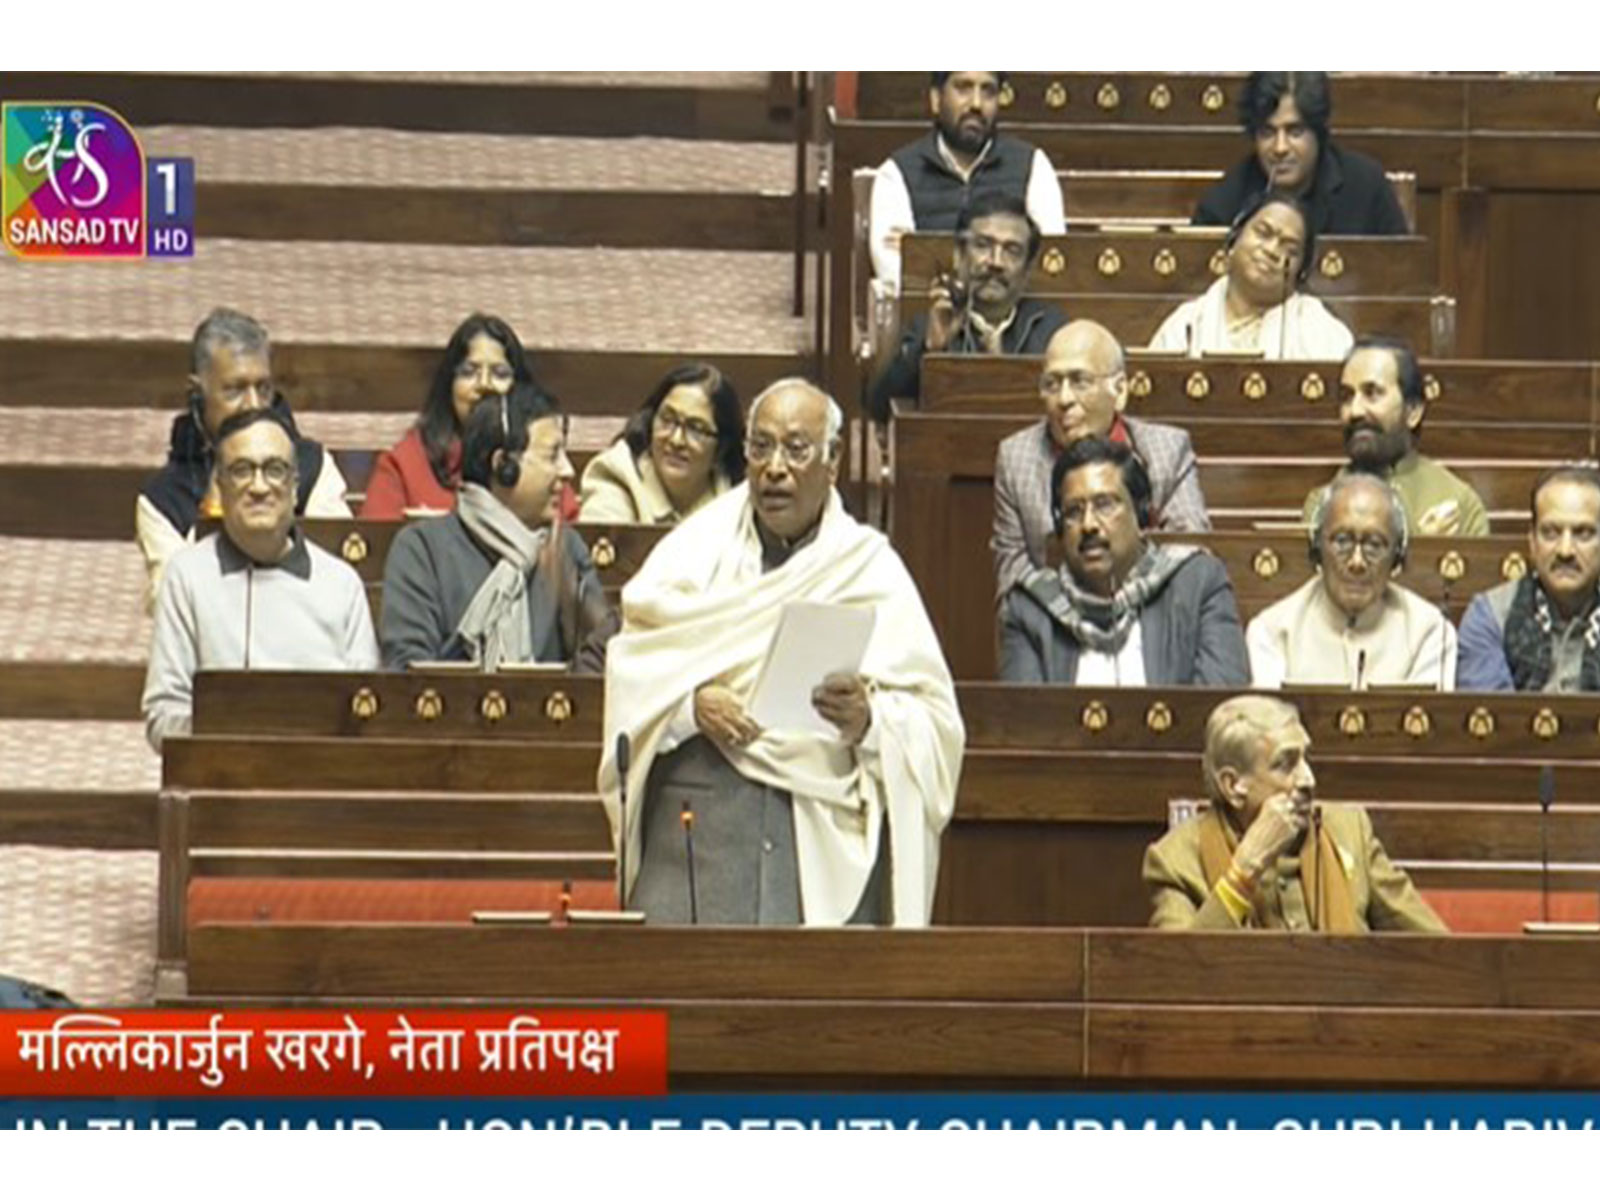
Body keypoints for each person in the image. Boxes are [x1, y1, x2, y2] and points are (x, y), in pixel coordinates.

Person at [598, 379, 964, 927]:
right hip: (698, 853)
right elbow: (633, 675)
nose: (774, 467)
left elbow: (936, 728)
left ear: (833, 460)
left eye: (796, 449)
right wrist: (690, 706)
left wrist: (871, 720)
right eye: (760, 446)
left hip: (822, 854)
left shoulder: (869, 568)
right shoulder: (690, 554)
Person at [142, 408, 377, 751]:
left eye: (274, 470)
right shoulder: (186, 576)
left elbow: (365, 713)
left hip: (322, 779)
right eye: (241, 471)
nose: (259, 486)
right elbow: (163, 715)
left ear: (295, 488)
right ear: (220, 488)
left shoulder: (341, 584)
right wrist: (236, 728)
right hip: (220, 780)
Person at [1143, 695, 1446, 931]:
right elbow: (1176, 977)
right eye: (1285, 764)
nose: (1308, 779)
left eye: (1305, 759)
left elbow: (1438, 948)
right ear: (1233, 785)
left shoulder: (1348, 830)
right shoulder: (1176, 860)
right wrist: (1242, 874)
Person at [379, 382, 613, 672]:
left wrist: (573, 605)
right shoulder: (422, 549)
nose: (567, 471)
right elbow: (406, 670)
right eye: (552, 456)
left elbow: (607, 661)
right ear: (504, 465)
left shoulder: (566, 548)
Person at [136, 307, 350, 613]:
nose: (253, 405)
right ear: (197, 393)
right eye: (235, 390)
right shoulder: (162, 500)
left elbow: (339, 572)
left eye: (262, 388)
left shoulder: (313, 467)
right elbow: (169, 604)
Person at [998, 437, 1248, 686]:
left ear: (1140, 515)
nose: (1088, 525)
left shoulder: (1197, 584)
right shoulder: (1031, 607)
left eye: (1104, 505)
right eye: (1074, 511)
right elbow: (1024, 720)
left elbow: (1224, 707)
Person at [992, 320, 1211, 598]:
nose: (1064, 398)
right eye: (1052, 383)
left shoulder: (1167, 450)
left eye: (1080, 381)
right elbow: (1012, 580)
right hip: (1056, 626)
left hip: (1151, 618)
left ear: (1119, 391)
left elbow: (1190, 554)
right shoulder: (1015, 459)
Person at [867, 193, 1067, 422]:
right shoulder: (928, 324)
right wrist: (930, 350)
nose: (995, 262)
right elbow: (880, 409)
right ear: (958, 255)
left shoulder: (1051, 330)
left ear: (1027, 270)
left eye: (1012, 250)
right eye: (983, 246)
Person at [1249, 473, 1457, 689]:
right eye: (1342, 541)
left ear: (1397, 557)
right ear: (1317, 548)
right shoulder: (1272, 632)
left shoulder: (1430, 632)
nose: (1357, 562)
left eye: (1374, 545)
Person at [869, 71, 1065, 296]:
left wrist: (930, 256)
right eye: (963, 88)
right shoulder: (897, 173)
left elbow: (1051, 263)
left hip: (1016, 322)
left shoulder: (1032, 166)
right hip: (930, 320)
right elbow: (897, 276)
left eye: (988, 91)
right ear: (936, 99)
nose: (976, 104)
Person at [1302, 336, 1490, 537]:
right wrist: (1421, 545)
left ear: (1413, 412)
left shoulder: (1459, 504)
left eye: (1372, 393)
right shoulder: (1321, 507)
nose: (1355, 410)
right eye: (1347, 397)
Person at [360, 314, 537, 521]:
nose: (485, 384)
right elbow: (377, 543)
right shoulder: (406, 463)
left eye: (499, 373)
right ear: (449, 386)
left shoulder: (541, 459)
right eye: (469, 372)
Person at [1193, 72, 1410, 236]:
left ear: (1318, 133)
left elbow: (1404, 272)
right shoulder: (1224, 203)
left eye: (1294, 132)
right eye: (1267, 132)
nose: (1280, 148)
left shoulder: (1366, 187)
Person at [1148, 190, 1353, 361]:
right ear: (1234, 239)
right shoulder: (1187, 324)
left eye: (1290, 249)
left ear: (1301, 271)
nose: (1272, 251)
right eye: (1263, 233)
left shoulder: (1322, 331)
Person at [1458, 465, 1600, 692]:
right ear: (1532, 543)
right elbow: (1492, 719)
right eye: (1550, 533)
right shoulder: (1490, 616)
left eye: (1583, 533)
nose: (1565, 550)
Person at [578, 362, 746, 524]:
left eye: (696, 429)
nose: (676, 440)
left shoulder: (741, 497)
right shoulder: (617, 472)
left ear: (721, 448)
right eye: (667, 420)